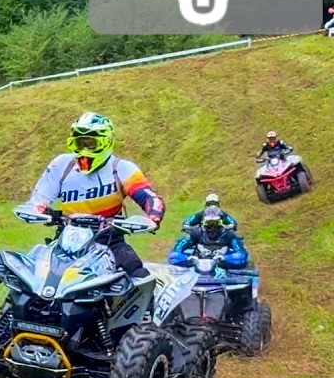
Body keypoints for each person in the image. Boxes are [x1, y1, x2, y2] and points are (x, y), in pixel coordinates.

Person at [24, 111, 166, 279]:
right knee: (31, 277)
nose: (84, 150)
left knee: (139, 276)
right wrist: (38, 209)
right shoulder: (61, 164)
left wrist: (153, 216)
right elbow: (39, 198)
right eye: (79, 143)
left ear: (105, 142)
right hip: (65, 239)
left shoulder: (121, 168)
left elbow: (148, 197)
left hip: (108, 239)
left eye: (90, 143)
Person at [168, 206, 249, 271]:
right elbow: (175, 253)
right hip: (197, 270)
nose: (212, 228)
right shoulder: (196, 234)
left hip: (223, 270)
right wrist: (188, 258)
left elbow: (242, 254)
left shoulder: (229, 235)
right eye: (208, 224)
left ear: (221, 223)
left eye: (216, 224)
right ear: (203, 223)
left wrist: (226, 258)